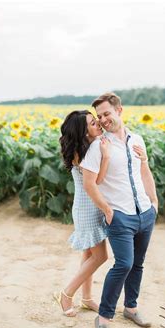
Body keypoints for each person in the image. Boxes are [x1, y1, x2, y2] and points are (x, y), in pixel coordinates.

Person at [80, 92, 159, 328]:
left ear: (119, 111)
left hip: (144, 213)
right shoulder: (98, 146)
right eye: (99, 116)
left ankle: (131, 307)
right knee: (123, 264)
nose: (103, 120)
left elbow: (144, 170)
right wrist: (106, 209)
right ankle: (103, 319)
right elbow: (89, 183)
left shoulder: (137, 139)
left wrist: (154, 202)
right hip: (120, 216)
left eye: (107, 114)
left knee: (138, 263)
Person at [55, 110, 110, 316]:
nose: (99, 124)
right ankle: (67, 294)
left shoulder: (86, 147)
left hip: (89, 206)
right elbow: (96, 182)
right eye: (93, 123)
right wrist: (106, 157)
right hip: (87, 209)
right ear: (82, 131)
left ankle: (87, 299)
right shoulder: (84, 152)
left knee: (88, 254)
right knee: (101, 256)